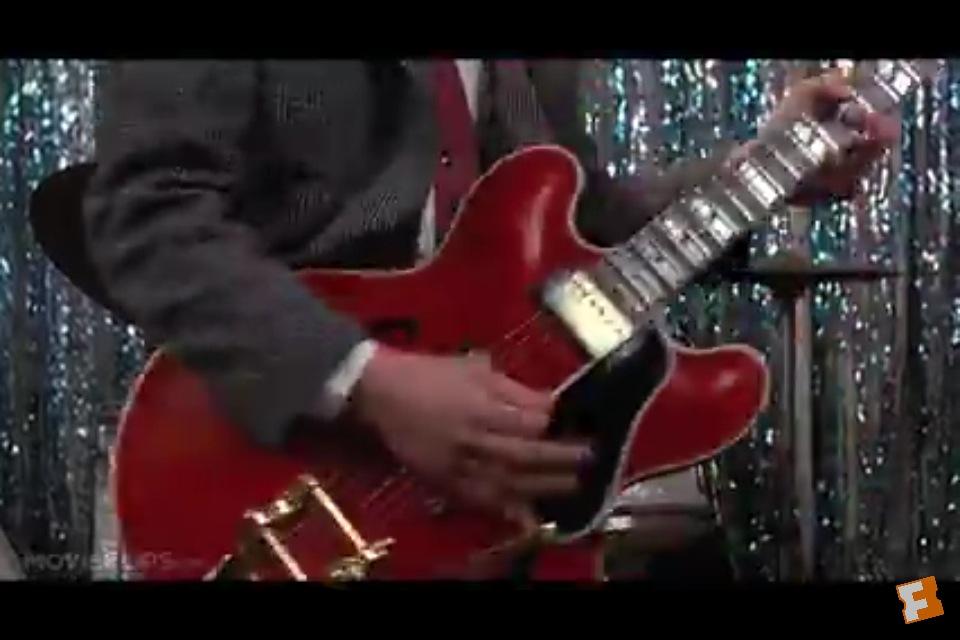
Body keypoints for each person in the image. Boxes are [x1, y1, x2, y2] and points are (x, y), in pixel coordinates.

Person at [81, 60, 899, 528]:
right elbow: (148, 215)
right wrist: (367, 381)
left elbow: (581, 217)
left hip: (477, 501)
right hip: (271, 471)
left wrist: (765, 166)